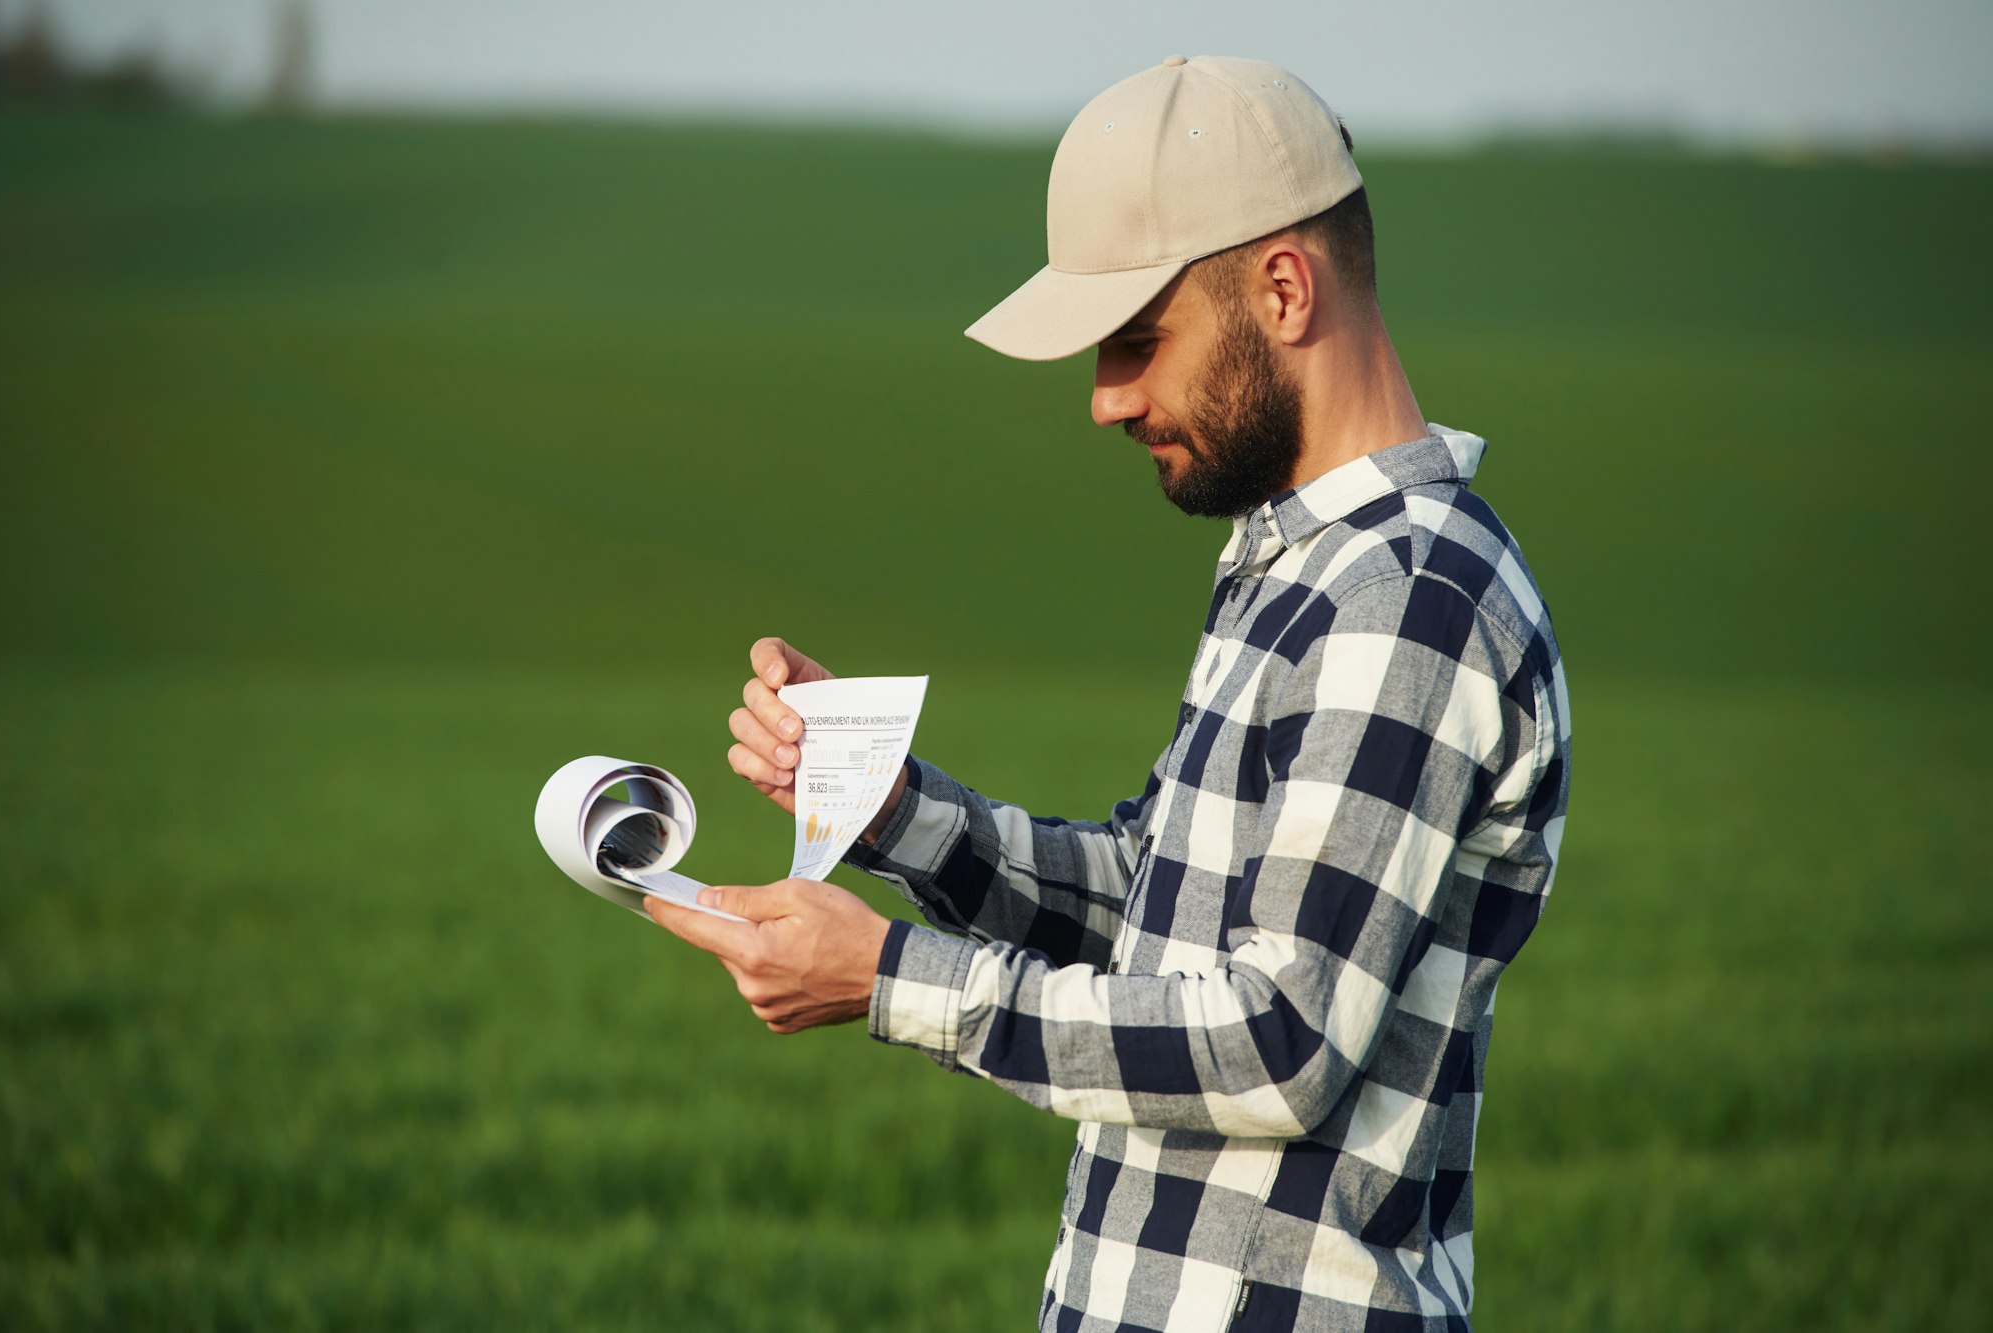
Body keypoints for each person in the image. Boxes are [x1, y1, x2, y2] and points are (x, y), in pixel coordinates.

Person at [647, 54, 1571, 1333]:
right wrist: (889, 814)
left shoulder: (1408, 597)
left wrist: (891, 980)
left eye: (1138, 341)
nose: (1103, 398)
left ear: (1285, 290)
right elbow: (1157, 916)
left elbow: (1278, 1040)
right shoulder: (1298, 567)